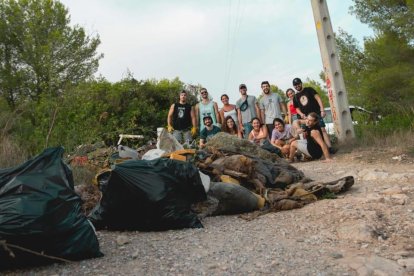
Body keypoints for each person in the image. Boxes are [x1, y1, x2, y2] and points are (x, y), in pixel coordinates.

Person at [292, 77, 333, 151]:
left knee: (322, 130)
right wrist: (301, 114)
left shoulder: (309, 90)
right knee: (306, 133)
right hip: (306, 118)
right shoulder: (295, 97)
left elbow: (318, 98)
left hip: (316, 114)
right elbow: (297, 108)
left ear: (301, 83)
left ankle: (329, 148)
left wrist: (322, 110)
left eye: (298, 84)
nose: (297, 86)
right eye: (295, 85)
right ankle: (315, 150)